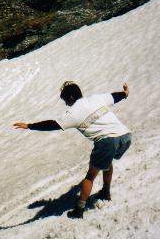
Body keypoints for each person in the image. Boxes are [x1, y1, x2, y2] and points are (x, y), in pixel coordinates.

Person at [14, 81, 131, 219]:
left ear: (70, 98)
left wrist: (30, 126)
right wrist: (125, 93)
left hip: (107, 142)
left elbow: (53, 124)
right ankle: (105, 192)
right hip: (125, 136)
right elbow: (115, 96)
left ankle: (79, 210)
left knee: (90, 176)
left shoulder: (73, 113)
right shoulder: (96, 98)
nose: (65, 104)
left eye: (64, 100)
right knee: (106, 162)